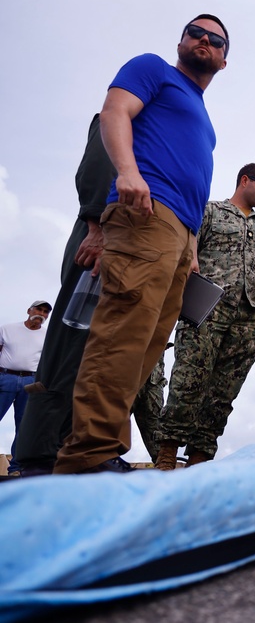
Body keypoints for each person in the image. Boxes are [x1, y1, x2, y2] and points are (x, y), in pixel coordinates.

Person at [53, 14, 230, 475]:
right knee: (121, 337)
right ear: (182, 40)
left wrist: (192, 245)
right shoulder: (153, 69)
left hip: (180, 234)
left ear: (224, 60)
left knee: (147, 349)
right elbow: (114, 113)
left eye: (215, 40)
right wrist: (128, 172)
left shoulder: (203, 117)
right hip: (146, 214)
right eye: (197, 33)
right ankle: (86, 459)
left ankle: (105, 450)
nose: (204, 42)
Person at [15, 115, 163, 476]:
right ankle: (41, 452)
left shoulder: (162, 137)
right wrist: (97, 225)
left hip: (132, 245)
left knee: (105, 350)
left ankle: (83, 448)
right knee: (73, 345)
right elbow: (98, 166)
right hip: (102, 237)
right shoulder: (121, 118)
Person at [154, 164, 255, 470]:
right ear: (244, 180)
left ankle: (199, 461)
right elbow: (187, 248)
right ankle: (167, 455)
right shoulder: (209, 212)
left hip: (250, 318)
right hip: (207, 309)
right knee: (188, 379)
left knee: (225, 391)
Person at [0, 301, 51, 473]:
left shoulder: (48, 336)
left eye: (45, 311)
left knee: (24, 426)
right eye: (38, 309)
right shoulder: (7, 329)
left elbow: (47, 361)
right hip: (5, 377)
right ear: (29, 310)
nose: (41, 313)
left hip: (30, 381)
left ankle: (16, 468)